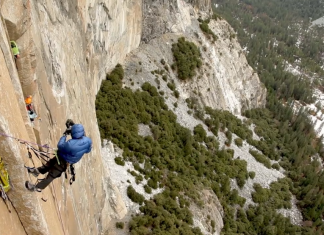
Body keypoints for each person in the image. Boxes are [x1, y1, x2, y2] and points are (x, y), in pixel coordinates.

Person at [25, 120, 92, 192]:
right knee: (49, 164)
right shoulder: (88, 141)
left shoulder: (71, 144)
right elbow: (88, 150)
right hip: (64, 158)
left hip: (63, 161)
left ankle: (37, 187)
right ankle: (36, 171)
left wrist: (64, 135)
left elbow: (60, 146)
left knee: (51, 175)